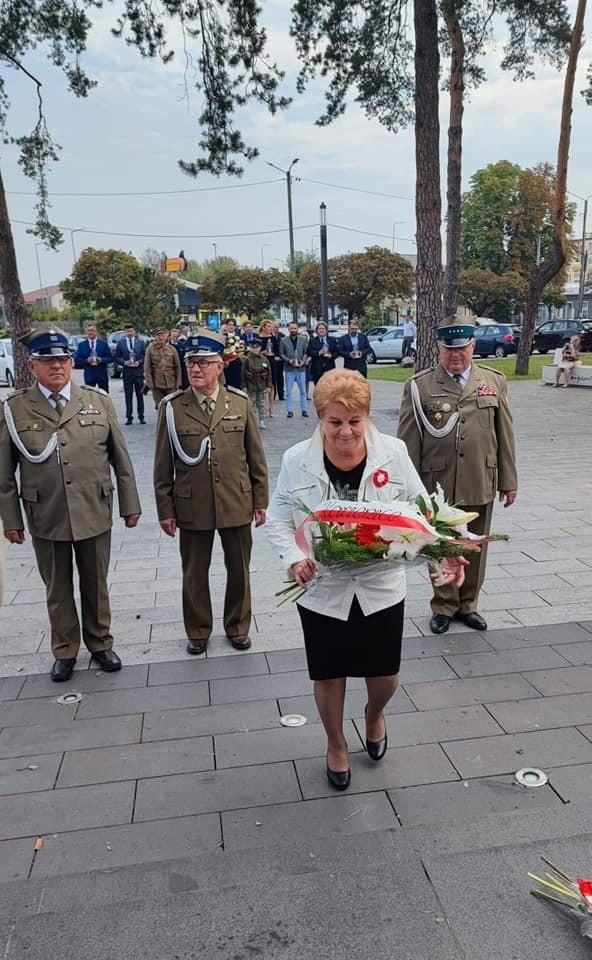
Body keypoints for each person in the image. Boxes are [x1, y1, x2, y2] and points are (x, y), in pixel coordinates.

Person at [266, 369, 466, 791]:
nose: (345, 432)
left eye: (354, 421)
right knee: (329, 673)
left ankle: (374, 715)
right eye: (334, 422)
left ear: (367, 417)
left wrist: (441, 552)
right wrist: (294, 559)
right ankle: (335, 743)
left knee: (383, 675)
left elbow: (421, 511)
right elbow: (279, 522)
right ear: (320, 417)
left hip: (380, 586)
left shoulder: (392, 453)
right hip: (322, 588)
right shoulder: (295, 460)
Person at [0, 325, 141, 681]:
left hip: (93, 507)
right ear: (32, 367)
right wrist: (11, 520)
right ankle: (65, 650)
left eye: (62, 359)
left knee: (96, 582)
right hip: (46, 512)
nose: (57, 367)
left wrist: (130, 504)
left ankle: (101, 643)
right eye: (47, 362)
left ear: (71, 362)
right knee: (57, 587)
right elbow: (4, 474)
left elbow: (121, 461)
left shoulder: (98, 401)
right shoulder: (15, 408)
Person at [397, 317, 518, 635]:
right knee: (441, 545)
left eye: (462, 348)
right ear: (439, 348)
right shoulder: (420, 386)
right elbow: (408, 443)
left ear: (473, 346)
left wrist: (509, 480)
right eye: (449, 349)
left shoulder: (493, 380)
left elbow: (503, 434)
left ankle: (469, 604)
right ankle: (444, 605)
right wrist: (409, 492)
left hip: (480, 477)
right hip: (437, 483)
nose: (456, 355)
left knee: (476, 545)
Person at [153, 330, 268, 654]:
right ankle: (199, 630)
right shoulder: (173, 407)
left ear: (220, 366)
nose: (196, 369)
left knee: (239, 569)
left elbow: (256, 457)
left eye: (203, 363)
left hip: (235, 499)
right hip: (192, 504)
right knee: (194, 573)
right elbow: (162, 465)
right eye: (191, 363)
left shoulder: (240, 404)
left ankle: (238, 626)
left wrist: (260, 500)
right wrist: (166, 509)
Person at [114, 323, 146, 424]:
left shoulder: (140, 342)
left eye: (131, 331)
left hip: (138, 373)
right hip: (127, 373)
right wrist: (124, 362)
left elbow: (145, 356)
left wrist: (139, 362)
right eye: (128, 331)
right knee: (128, 396)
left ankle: (141, 416)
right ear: (125, 332)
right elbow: (117, 357)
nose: (130, 333)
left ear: (134, 332)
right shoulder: (120, 343)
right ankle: (129, 417)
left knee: (140, 395)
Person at [144, 326, 182, 408]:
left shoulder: (172, 349)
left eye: (162, 335)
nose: (160, 337)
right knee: (160, 406)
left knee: (172, 406)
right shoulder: (150, 349)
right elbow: (147, 368)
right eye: (158, 335)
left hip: (171, 382)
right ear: (155, 337)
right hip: (157, 383)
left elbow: (178, 367)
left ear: (166, 336)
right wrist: (150, 384)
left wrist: (178, 383)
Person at [279, 321, 309, 418]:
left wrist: (303, 362)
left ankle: (304, 410)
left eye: (295, 328)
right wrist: (288, 360)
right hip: (289, 368)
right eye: (291, 328)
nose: (293, 330)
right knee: (288, 391)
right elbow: (281, 354)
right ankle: (290, 410)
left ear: (298, 329)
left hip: (301, 368)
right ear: (288, 329)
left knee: (303, 391)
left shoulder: (303, 340)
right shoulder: (283, 340)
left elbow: (306, 352)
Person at [74, 323, 112, 392]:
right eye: (89, 331)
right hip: (89, 375)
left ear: (96, 332)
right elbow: (78, 360)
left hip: (102, 375)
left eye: (92, 330)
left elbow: (110, 358)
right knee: (90, 398)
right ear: (86, 332)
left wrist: (101, 359)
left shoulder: (103, 344)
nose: (91, 332)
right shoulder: (81, 345)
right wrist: (86, 360)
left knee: (104, 397)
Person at [243, 336, 270, 429]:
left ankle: (262, 421)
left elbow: (269, 372)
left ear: (260, 348)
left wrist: (269, 385)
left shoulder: (264, 359)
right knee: (251, 404)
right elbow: (243, 373)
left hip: (261, 383)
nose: (255, 349)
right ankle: (253, 421)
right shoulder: (247, 359)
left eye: (257, 347)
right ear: (250, 348)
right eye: (253, 347)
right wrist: (244, 386)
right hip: (251, 384)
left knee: (261, 403)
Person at [223, 318, 245, 391]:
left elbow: (243, 350)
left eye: (233, 325)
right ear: (226, 326)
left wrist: (237, 355)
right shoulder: (223, 337)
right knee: (227, 383)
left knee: (237, 383)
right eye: (229, 325)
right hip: (226, 364)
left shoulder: (240, 337)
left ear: (235, 327)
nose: (231, 327)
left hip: (237, 361)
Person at [270, 321, 285, 401]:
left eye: (277, 327)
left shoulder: (282, 336)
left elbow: (284, 348)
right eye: (274, 327)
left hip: (280, 360)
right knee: (273, 378)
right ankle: (274, 395)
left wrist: (281, 357)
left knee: (280, 378)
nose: (276, 328)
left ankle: (281, 394)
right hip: (272, 360)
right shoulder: (269, 336)